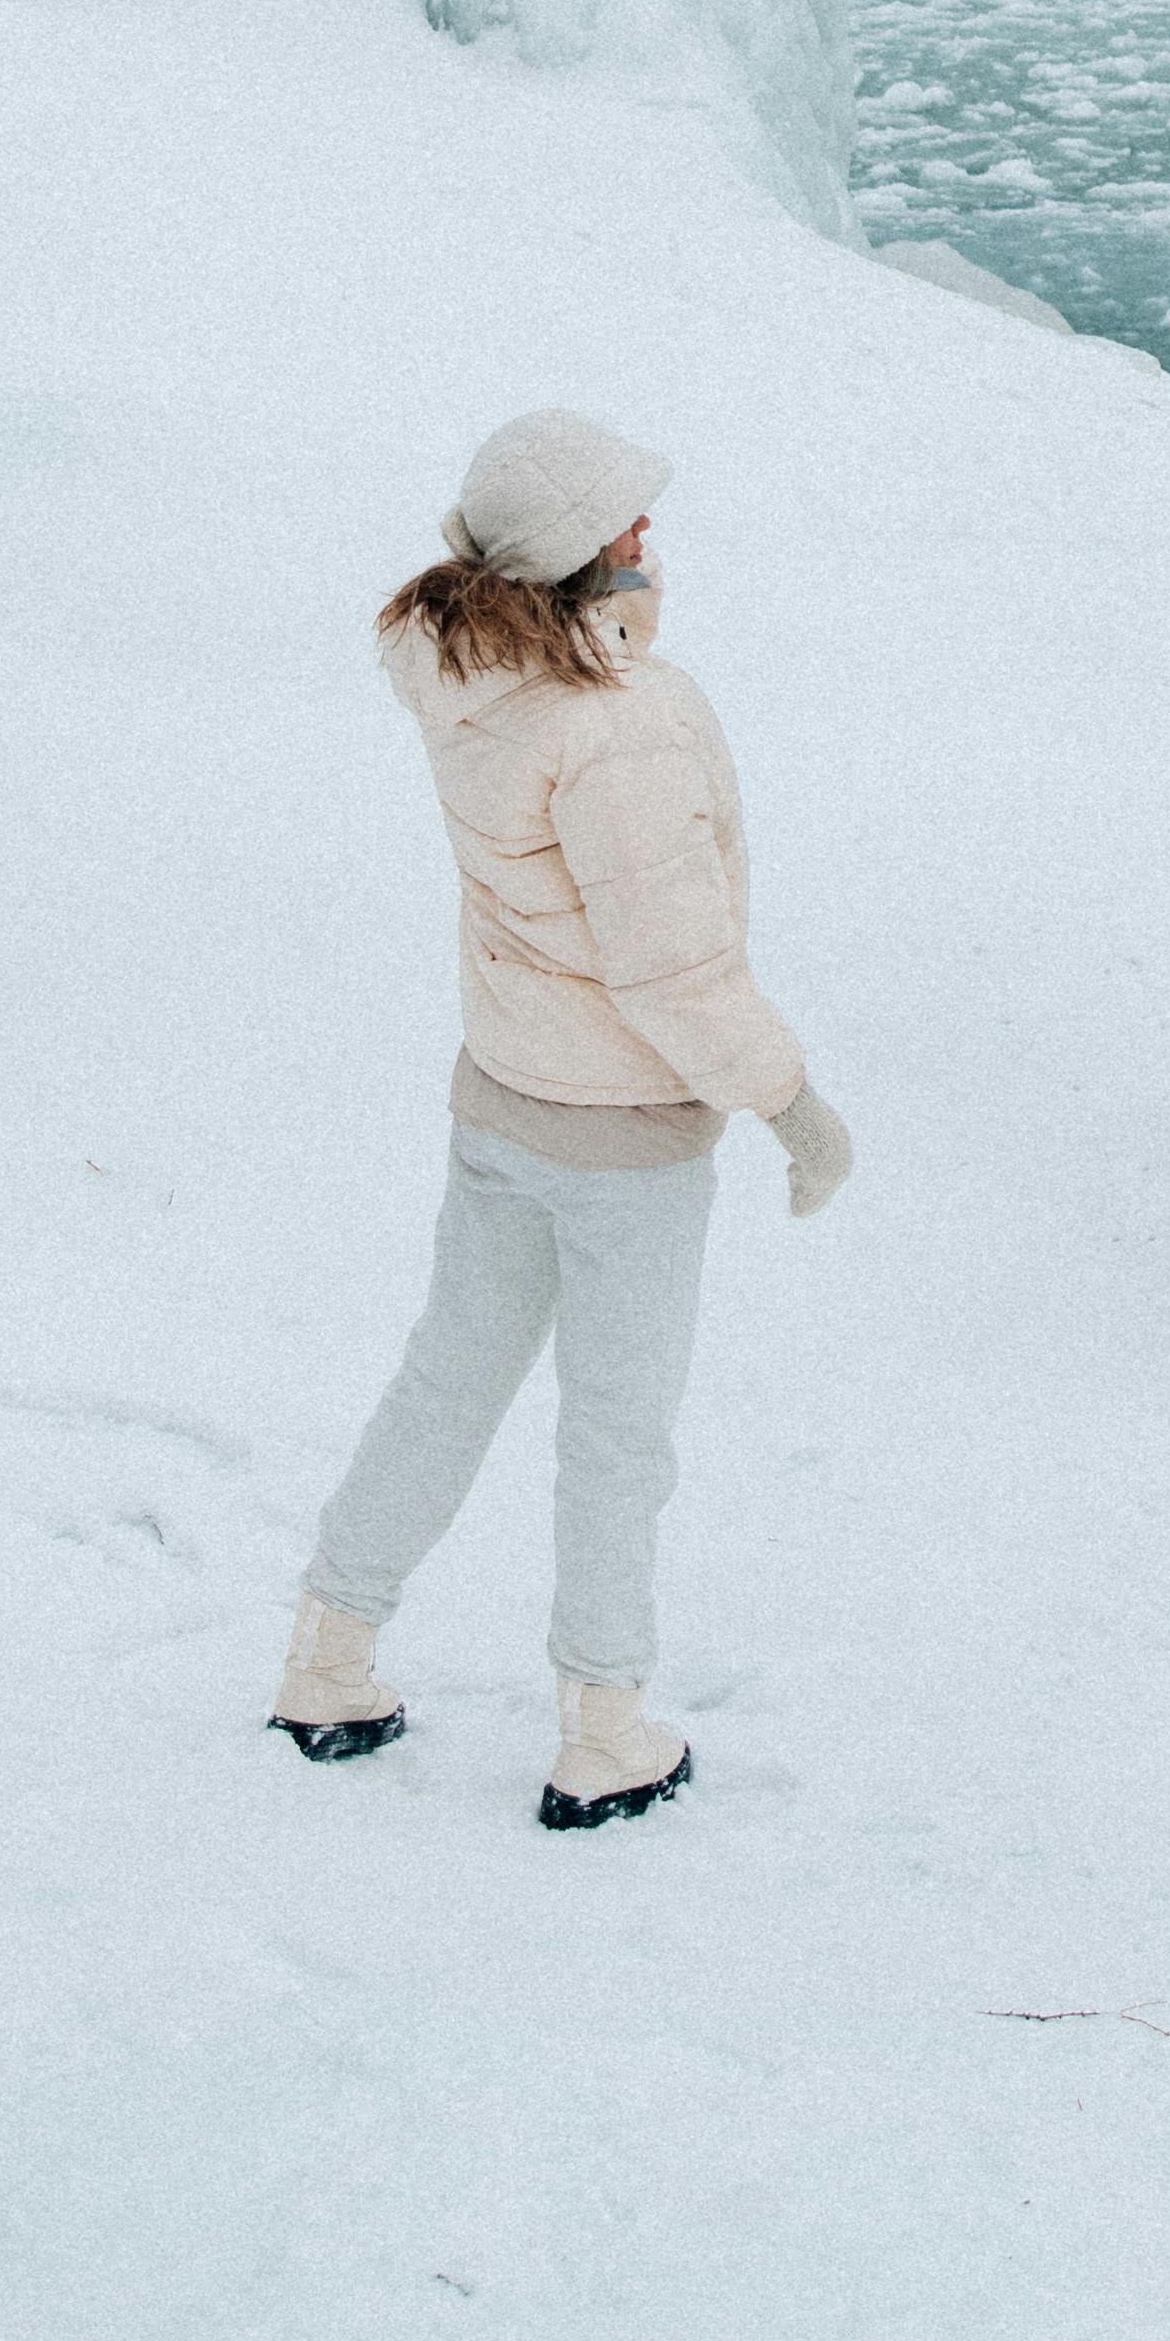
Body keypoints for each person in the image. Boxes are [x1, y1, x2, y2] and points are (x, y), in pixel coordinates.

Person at [271, 405, 851, 1833]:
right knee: (615, 1436)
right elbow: (672, 969)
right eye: (626, 523)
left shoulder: (472, 680)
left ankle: (329, 1655)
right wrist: (792, 1103)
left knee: (447, 1381)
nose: (650, 536)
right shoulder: (618, 724)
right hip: (625, 1142)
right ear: (579, 557)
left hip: (506, 1105)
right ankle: (604, 1727)